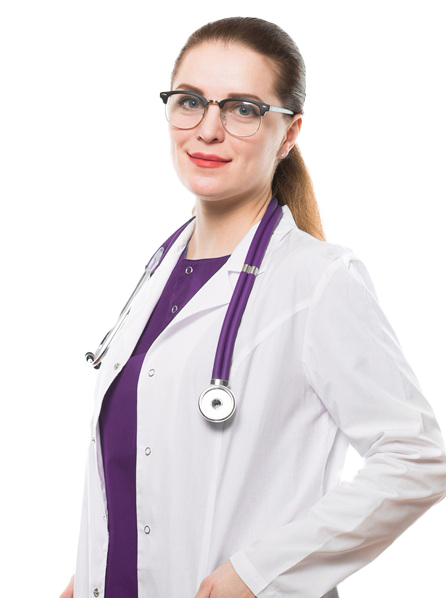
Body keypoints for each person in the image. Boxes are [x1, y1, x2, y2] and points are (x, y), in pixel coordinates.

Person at [59, 15, 446, 598]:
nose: (207, 130)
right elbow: (137, 467)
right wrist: (91, 571)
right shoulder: (157, 271)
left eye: (243, 109)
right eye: (190, 101)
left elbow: (417, 456)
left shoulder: (317, 280)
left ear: (288, 134)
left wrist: (260, 573)